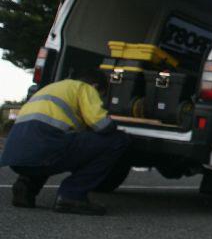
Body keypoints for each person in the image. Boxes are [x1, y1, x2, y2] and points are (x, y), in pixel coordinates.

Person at [0, 69, 130, 216]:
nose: (99, 101)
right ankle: (72, 196)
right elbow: (102, 125)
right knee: (117, 140)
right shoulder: (84, 88)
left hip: (16, 158)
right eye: (100, 96)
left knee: (49, 142)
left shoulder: (52, 88)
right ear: (95, 86)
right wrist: (113, 124)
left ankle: (25, 189)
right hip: (44, 152)